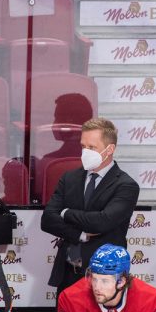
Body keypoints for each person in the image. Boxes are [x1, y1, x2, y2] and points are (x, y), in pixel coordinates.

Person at [41, 118, 139, 296]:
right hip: (69, 272)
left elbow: (102, 222)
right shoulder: (69, 178)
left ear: (110, 149)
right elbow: (47, 219)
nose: (85, 152)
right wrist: (81, 234)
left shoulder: (126, 185)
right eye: (83, 146)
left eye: (92, 147)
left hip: (106, 277)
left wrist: (66, 212)